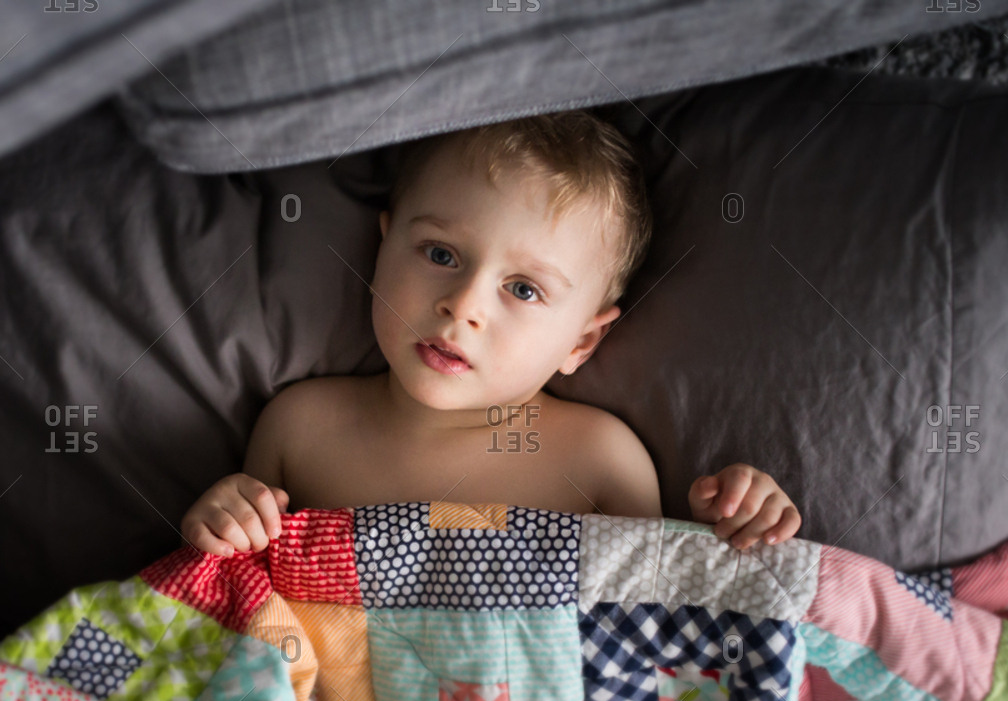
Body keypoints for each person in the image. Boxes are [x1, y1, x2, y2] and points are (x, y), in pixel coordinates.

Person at [181, 110, 801, 557]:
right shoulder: (301, 426)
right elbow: (244, 592)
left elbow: (650, 613)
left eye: (524, 289)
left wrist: (727, 529)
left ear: (581, 343)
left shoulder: (598, 460)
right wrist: (222, 521)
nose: (463, 306)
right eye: (441, 255)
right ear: (383, 246)